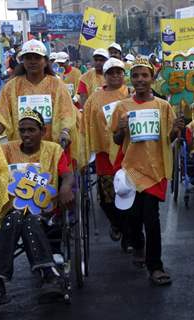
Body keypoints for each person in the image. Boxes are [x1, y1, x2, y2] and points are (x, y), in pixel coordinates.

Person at [110, 57, 185, 285]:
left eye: (145, 75)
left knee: (151, 219)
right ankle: (138, 244)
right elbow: (116, 139)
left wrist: (176, 130)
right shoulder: (123, 107)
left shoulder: (163, 106)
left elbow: (170, 138)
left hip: (155, 170)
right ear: (131, 79)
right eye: (136, 75)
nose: (140, 80)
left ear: (152, 78)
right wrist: (121, 130)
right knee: (132, 217)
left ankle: (156, 266)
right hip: (131, 169)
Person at [0, 109, 74, 305]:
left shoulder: (54, 150)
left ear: (43, 131)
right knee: (21, 216)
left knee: (24, 217)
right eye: (22, 130)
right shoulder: (7, 150)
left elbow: (68, 175)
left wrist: (65, 188)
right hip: (12, 208)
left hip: (47, 209)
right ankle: (49, 274)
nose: (26, 135)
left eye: (31, 130)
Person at [0, 40, 77, 157]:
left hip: (51, 150)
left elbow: (66, 113)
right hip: (20, 152)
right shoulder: (11, 87)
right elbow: (1, 118)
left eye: (37, 57)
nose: (32, 61)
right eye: (28, 58)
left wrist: (65, 132)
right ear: (22, 61)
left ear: (46, 61)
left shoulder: (57, 85)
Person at [82, 58, 130, 243]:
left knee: (128, 194)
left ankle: (129, 235)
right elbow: (85, 122)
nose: (115, 75)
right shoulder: (95, 98)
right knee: (107, 199)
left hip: (127, 152)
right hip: (104, 153)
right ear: (106, 76)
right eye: (111, 72)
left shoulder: (130, 93)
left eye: (119, 72)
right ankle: (116, 224)